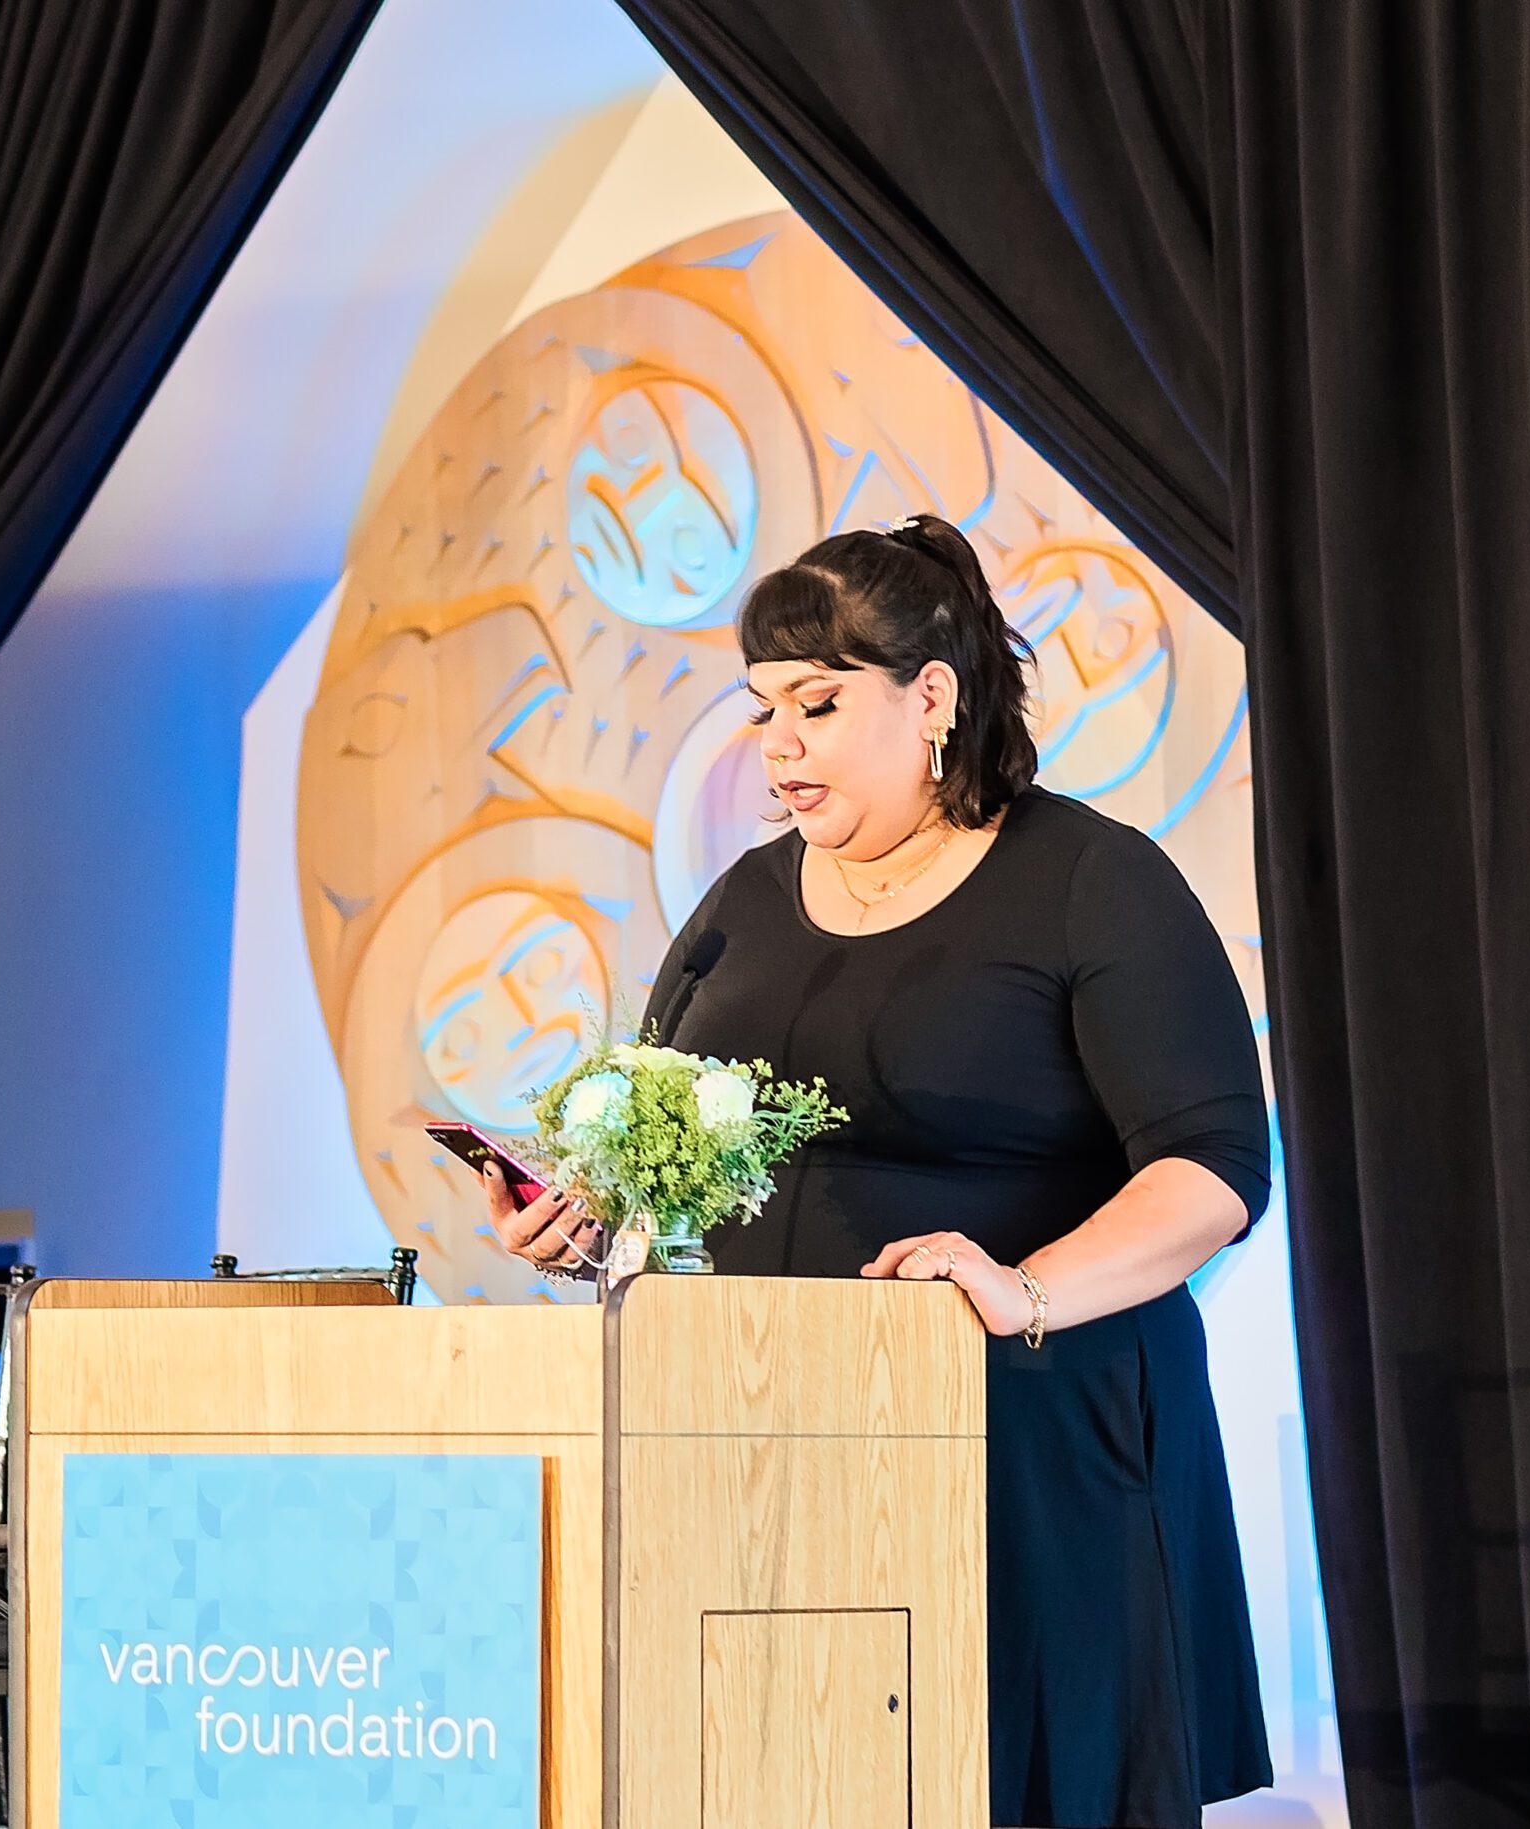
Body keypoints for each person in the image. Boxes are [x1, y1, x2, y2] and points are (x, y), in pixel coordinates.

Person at [487, 516, 1273, 1828]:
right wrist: (592, 1224)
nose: (777, 742)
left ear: (932, 700)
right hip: (764, 1458)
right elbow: (661, 1152)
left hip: (1030, 1457)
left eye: (815, 703)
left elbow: (1215, 1171)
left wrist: (1018, 1286)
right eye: (759, 710)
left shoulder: (1088, 881)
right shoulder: (741, 898)